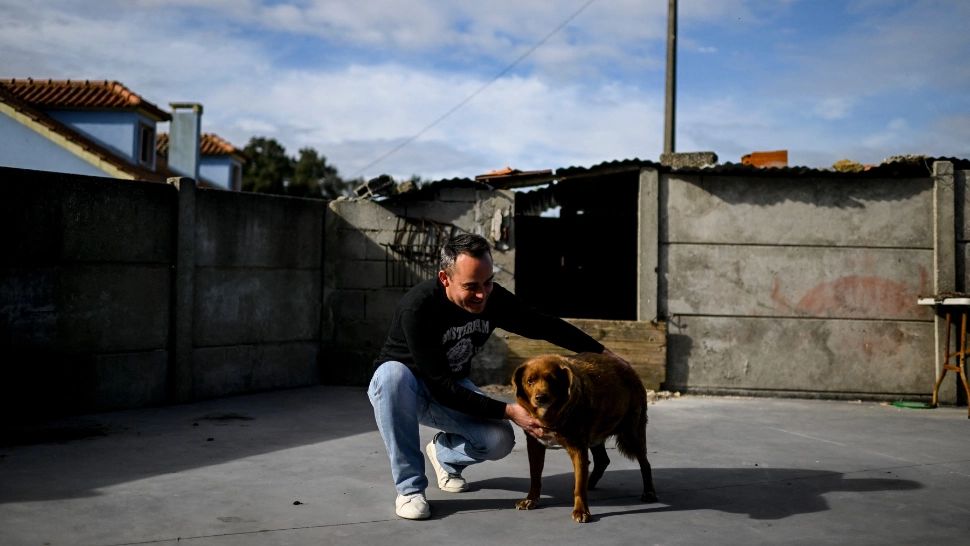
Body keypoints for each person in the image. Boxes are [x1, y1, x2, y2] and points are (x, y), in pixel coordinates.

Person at [367, 232, 627, 520]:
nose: (482, 295)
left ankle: (443, 455)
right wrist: (509, 410)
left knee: (499, 440)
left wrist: (603, 353)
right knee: (392, 375)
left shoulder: (493, 298)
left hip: (451, 386)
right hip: (407, 390)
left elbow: (544, 325)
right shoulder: (419, 307)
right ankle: (410, 489)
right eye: (471, 286)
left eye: (488, 282)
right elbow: (438, 385)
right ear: (445, 279)